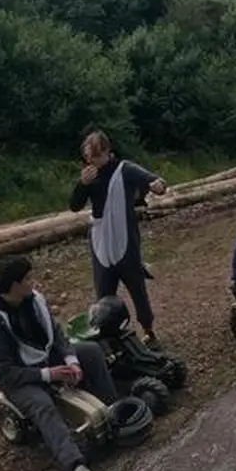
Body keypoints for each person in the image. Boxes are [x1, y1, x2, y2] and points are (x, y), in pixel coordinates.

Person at [0, 256, 116, 471]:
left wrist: (70, 361)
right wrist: (47, 375)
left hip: (46, 361)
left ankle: (112, 412)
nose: (32, 284)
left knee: (91, 352)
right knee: (43, 405)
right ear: (13, 286)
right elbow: (4, 373)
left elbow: (56, 335)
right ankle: (78, 468)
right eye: (27, 280)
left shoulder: (34, 301)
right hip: (21, 378)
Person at [69, 130, 167, 346]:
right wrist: (81, 185)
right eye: (87, 158)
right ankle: (108, 336)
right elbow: (74, 206)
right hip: (101, 240)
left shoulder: (125, 169)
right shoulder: (89, 176)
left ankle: (148, 329)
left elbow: (154, 181)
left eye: (95, 156)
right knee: (104, 294)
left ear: (107, 151)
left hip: (125, 238)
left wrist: (157, 185)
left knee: (136, 288)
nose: (91, 161)